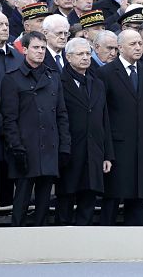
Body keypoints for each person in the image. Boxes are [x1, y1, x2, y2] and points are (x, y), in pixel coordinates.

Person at [1, 31, 70, 227]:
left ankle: (40, 240)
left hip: (49, 147)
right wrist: (16, 147)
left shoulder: (53, 76)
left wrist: (64, 146)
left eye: (42, 48)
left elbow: (61, 114)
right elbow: (9, 118)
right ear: (24, 49)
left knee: (44, 201)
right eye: (35, 48)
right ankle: (17, 237)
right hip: (26, 147)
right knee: (22, 199)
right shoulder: (12, 78)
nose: (40, 52)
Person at [97, 29, 143, 226]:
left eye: (140, 43)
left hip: (141, 148)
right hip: (117, 147)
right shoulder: (105, 73)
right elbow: (101, 114)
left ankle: (137, 242)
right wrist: (106, 151)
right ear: (120, 48)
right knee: (112, 198)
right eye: (133, 44)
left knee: (139, 197)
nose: (139, 47)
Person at [55, 37, 113, 225]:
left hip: (94, 151)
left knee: (88, 199)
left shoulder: (97, 83)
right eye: (80, 54)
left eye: (88, 53)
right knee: (65, 198)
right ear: (68, 57)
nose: (85, 57)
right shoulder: (58, 82)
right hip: (70, 151)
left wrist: (107, 155)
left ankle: (84, 241)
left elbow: (105, 121)